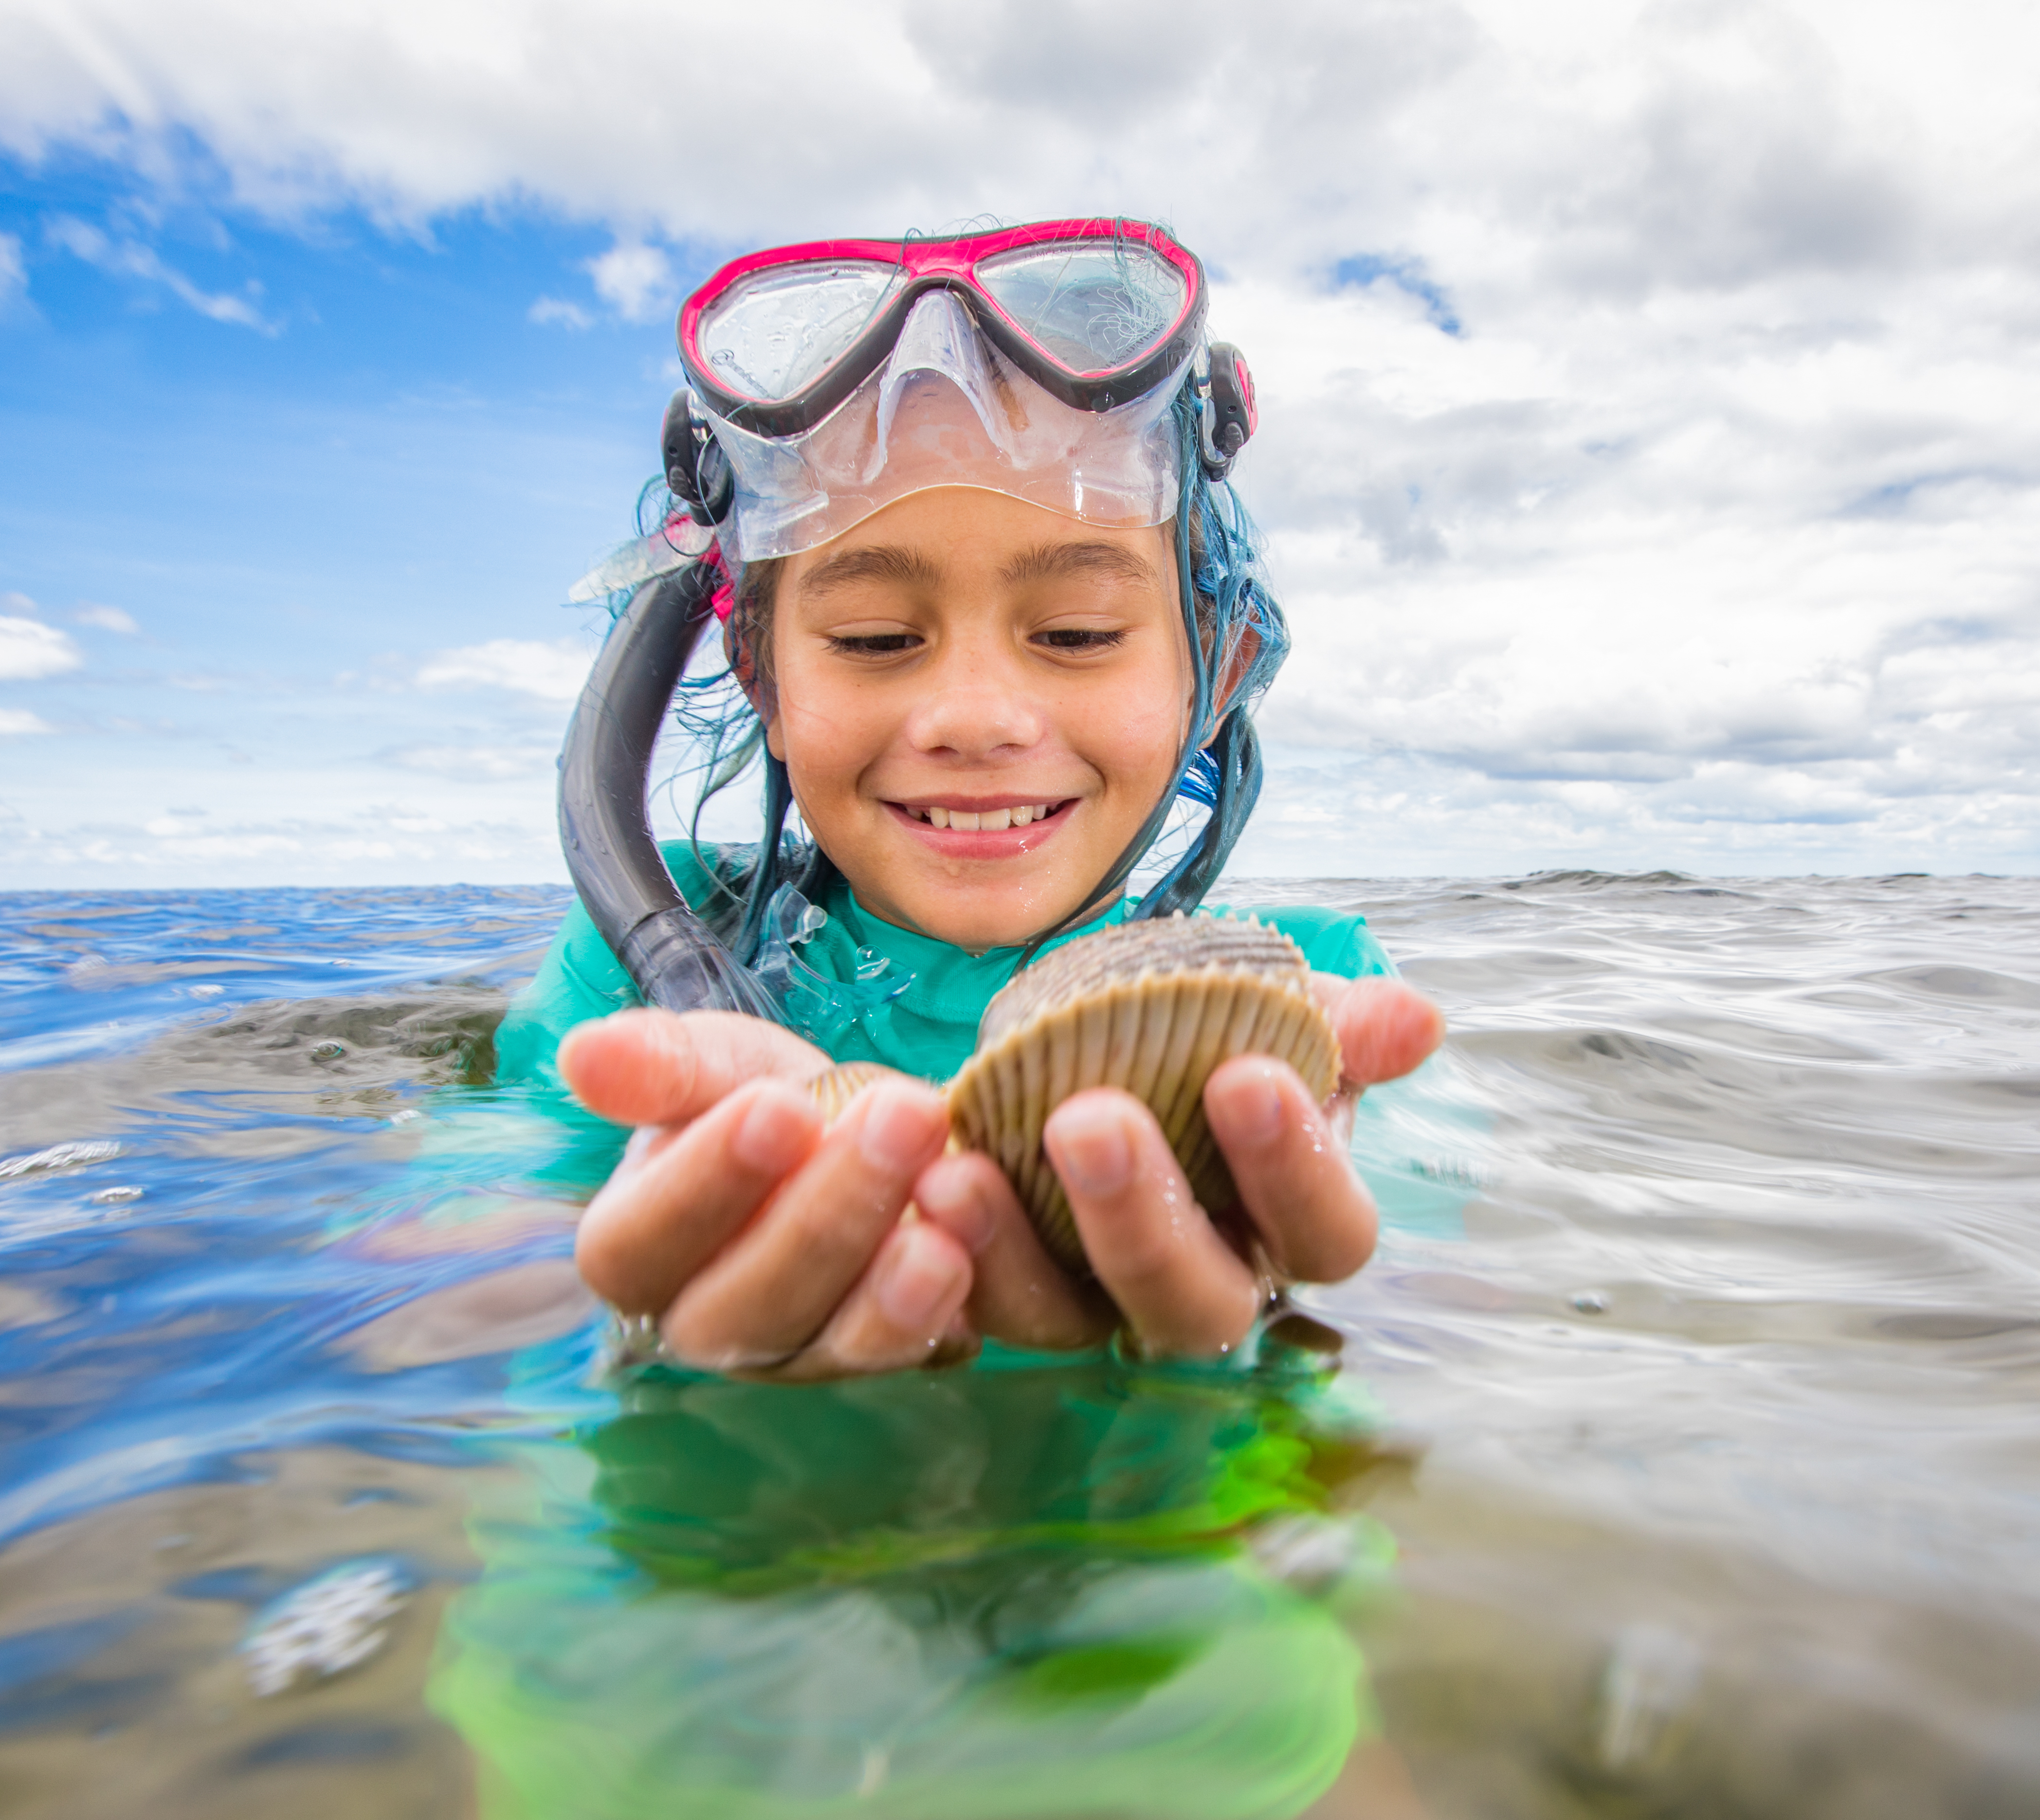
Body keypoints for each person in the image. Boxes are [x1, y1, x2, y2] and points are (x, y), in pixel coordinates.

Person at [495, 218, 1447, 1382]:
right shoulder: (640, 974)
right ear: (768, 685)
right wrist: (645, 1345)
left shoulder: (1324, 995)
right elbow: (458, 1269)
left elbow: (1433, 1308)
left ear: (1221, 670)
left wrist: (1247, 1339)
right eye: (877, 638)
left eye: (1079, 633)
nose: (976, 715)